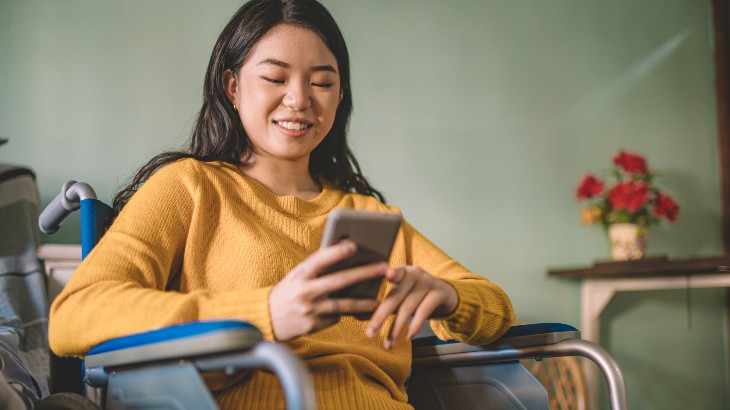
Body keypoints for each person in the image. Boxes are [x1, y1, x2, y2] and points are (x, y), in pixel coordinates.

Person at [49, 0, 515, 408]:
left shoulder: (370, 217)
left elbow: (495, 305)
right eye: (275, 77)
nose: (299, 100)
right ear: (232, 87)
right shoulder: (189, 187)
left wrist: (448, 297)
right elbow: (75, 315)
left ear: (340, 95)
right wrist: (267, 312)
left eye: (323, 83)